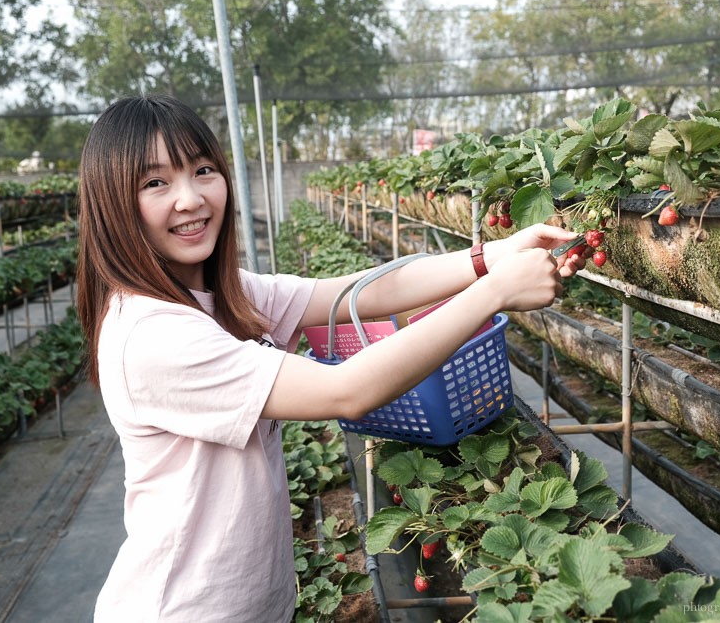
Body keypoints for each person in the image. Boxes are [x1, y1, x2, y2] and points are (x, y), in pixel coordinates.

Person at [76, 94, 589, 622]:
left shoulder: (218, 294)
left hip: (248, 602)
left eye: (203, 170)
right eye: (155, 182)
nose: (190, 198)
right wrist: (493, 293)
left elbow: (361, 292)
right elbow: (347, 390)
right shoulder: (152, 335)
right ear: (113, 203)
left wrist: (491, 257)